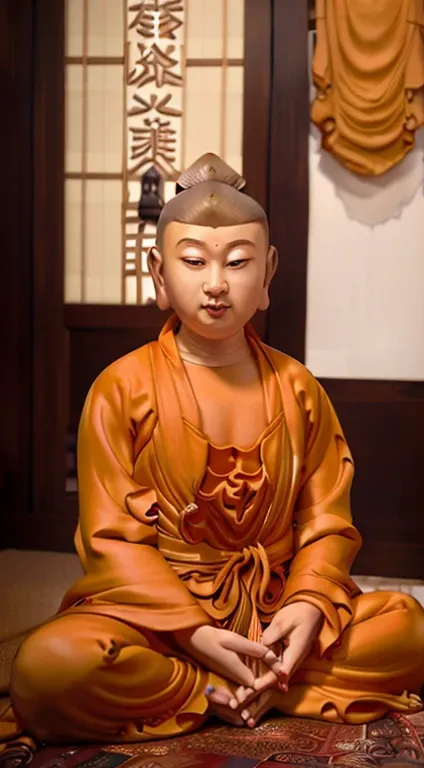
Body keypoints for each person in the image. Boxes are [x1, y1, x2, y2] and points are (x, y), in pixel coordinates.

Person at [8, 154, 424, 744]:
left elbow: (326, 522)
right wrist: (196, 634)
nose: (215, 284)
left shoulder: (298, 388)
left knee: (407, 628)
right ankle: (216, 684)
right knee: (49, 667)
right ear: (158, 271)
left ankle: (255, 679)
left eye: (237, 262)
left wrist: (305, 609)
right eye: (195, 261)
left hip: (278, 608)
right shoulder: (121, 388)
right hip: (164, 619)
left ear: (269, 271)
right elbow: (110, 541)